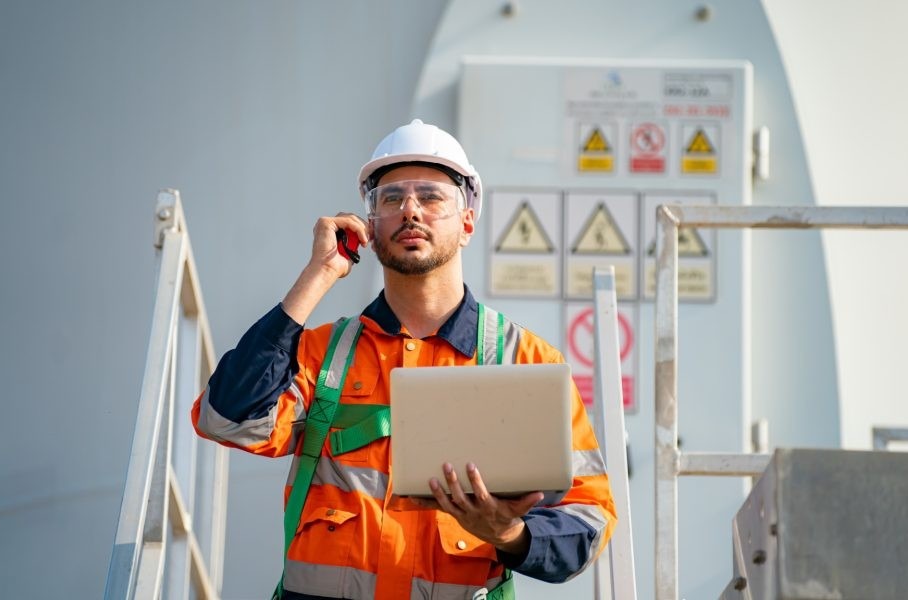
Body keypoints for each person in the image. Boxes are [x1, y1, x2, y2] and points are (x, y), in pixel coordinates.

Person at [192, 119, 616, 599]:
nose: (410, 209)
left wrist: (509, 534)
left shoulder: (527, 362)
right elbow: (225, 419)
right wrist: (318, 275)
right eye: (391, 198)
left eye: (431, 197)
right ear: (370, 228)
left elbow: (589, 517)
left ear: (467, 222)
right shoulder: (323, 357)